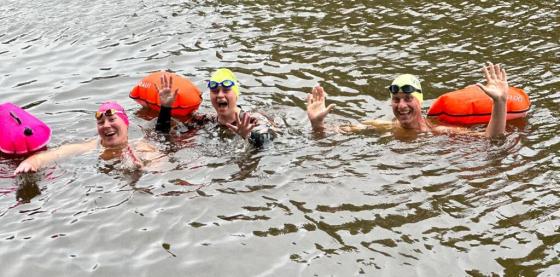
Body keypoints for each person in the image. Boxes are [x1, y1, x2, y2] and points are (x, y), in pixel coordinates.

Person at [307, 62, 509, 138]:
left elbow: (490, 138)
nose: (401, 105)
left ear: (419, 102)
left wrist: (499, 103)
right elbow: (336, 132)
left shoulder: (438, 131)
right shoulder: (384, 126)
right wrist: (317, 124)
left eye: (408, 98)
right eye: (396, 99)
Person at [15, 102, 158, 174]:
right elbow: (50, 155)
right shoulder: (89, 147)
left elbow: (161, 168)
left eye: (112, 119)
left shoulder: (141, 147)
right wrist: (30, 163)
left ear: (126, 123)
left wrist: (142, 169)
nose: (106, 125)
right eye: (101, 123)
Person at [155, 68, 275, 147]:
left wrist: (248, 136)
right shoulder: (205, 120)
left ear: (236, 95)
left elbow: (269, 143)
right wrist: (165, 108)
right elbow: (162, 137)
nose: (220, 95)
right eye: (215, 91)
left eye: (226, 90)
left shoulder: (253, 120)